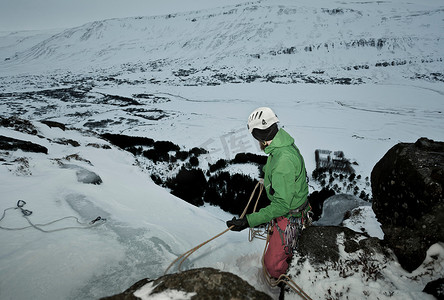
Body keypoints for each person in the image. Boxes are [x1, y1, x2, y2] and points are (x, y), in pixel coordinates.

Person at [226, 107, 310, 279]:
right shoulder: (281, 145)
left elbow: (281, 205)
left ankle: (284, 285)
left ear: (260, 136)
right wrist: (270, 181)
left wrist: (248, 221)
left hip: (289, 217)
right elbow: (281, 172)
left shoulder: (283, 160)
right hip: (293, 208)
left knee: (272, 266)